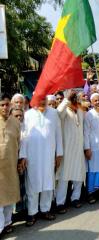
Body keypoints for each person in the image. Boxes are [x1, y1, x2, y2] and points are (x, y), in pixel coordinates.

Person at [20, 97, 63, 226]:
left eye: (44, 99)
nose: (42, 102)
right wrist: (23, 155)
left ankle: (45, 210)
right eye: (39, 99)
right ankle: (32, 213)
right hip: (32, 156)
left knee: (48, 183)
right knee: (32, 183)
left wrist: (59, 154)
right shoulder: (27, 115)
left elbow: (58, 134)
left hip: (49, 155)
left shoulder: (54, 113)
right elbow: (23, 136)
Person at [55, 91, 86, 213]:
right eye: (73, 98)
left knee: (79, 175)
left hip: (78, 149)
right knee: (64, 176)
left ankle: (75, 198)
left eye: (75, 98)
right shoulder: (64, 111)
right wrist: (67, 99)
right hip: (67, 150)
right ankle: (60, 203)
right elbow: (58, 112)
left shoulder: (79, 110)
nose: (75, 100)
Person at [0, 95, 21, 236]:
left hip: (11, 164)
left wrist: (20, 160)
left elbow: (20, 142)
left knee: (9, 197)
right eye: (2, 105)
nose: (5, 108)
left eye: (7, 104)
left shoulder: (16, 122)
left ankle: (7, 223)